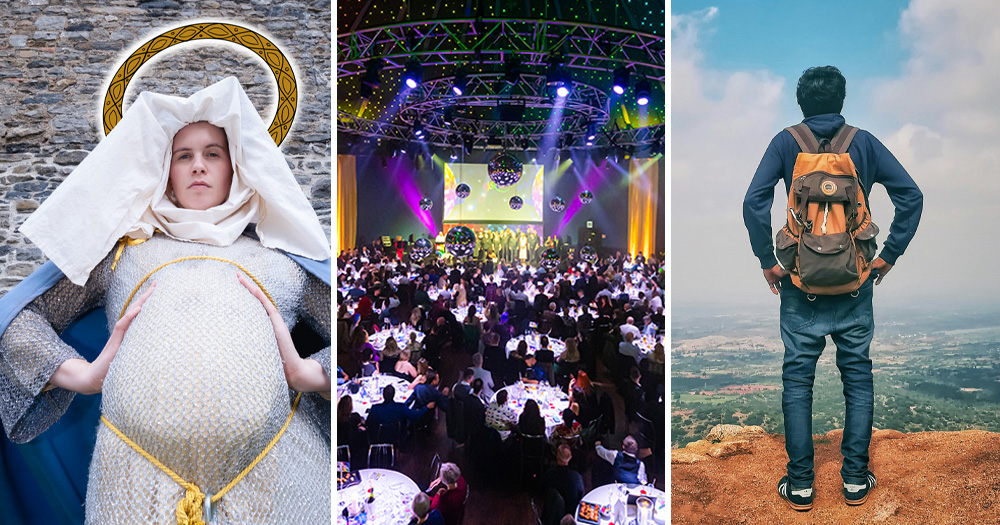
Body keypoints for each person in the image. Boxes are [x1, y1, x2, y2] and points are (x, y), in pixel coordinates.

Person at [0, 78, 333, 523]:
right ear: (166, 172)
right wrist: (82, 375)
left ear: (238, 168)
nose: (199, 166)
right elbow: (19, 319)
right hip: (133, 482)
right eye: (184, 156)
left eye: (213, 154)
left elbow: (356, 338)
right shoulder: (125, 251)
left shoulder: (282, 257)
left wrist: (314, 372)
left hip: (276, 477)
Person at [743, 66, 922, 511]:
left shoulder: (786, 142)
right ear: (842, 100)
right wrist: (888, 256)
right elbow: (911, 197)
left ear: (801, 102)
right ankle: (856, 482)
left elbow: (753, 202)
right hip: (856, 283)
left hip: (800, 285)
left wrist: (768, 261)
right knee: (857, 379)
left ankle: (801, 485)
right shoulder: (863, 142)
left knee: (798, 381)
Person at [540, 444, 585, 518]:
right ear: (570, 458)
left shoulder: (549, 474)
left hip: (552, 515)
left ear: (557, 457)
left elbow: (540, 491)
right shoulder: (577, 477)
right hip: (571, 515)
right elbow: (581, 497)